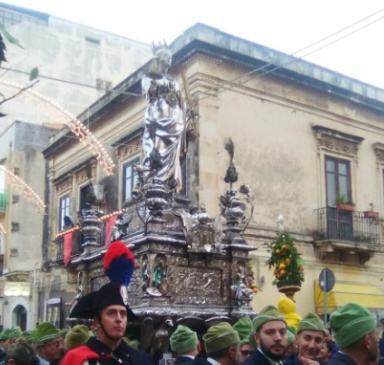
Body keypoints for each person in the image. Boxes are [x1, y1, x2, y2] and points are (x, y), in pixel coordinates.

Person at [60, 241, 153, 365]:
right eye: (111, 313)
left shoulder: (141, 360)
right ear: (97, 320)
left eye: (123, 314)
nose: (119, 319)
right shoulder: (77, 360)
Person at [141, 42, 185, 190]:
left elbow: (180, 100)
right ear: (158, 58)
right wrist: (153, 86)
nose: (169, 59)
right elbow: (148, 96)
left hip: (175, 120)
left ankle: (170, 183)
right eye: (166, 56)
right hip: (159, 117)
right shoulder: (149, 77)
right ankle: (155, 181)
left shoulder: (173, 81)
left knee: (173, 153)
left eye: (170, 57)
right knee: (157, 149)